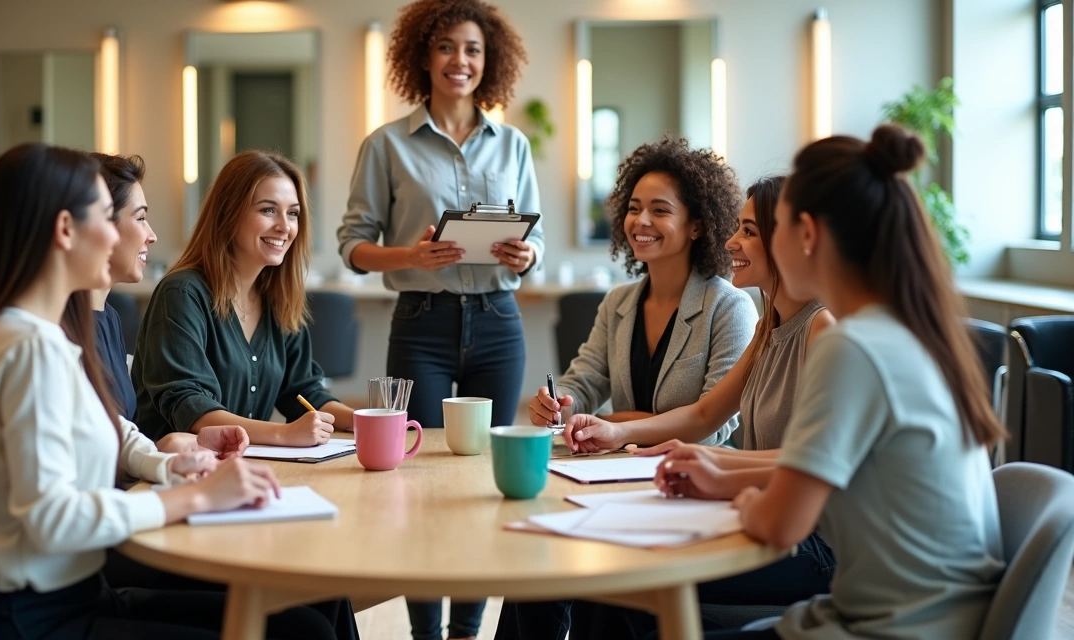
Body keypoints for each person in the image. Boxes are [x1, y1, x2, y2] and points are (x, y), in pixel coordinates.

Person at [0, 142, 352, 639]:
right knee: (304, 631)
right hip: (42, 619)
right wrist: (194, 499)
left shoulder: (33, 337)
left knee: (305, 621)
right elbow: (53, 520)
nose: (135, 234)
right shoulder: (28, 350)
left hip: (74, 595)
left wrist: (169, 464)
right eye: (110, 216)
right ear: (65, 230)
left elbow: (106, 424)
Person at [703, 124, 1007, 639]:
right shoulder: (903, 333)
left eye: (771, 229)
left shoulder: (852, 346)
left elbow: (781, 525)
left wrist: (745, 500)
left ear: (807, 234)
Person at [499, 177, 835, 639]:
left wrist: (709, 460)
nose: (732, 242)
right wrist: (617, 435)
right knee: (575, 556)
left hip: (812, 543)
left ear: (793, 241)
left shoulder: (822, 330)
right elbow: (702, 415)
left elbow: (813, 465)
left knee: (614, 571)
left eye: (750, 232)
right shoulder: (769, 328)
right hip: (761, 509)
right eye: (737, 227)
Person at [335, 1, 541, 637]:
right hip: (420, 322)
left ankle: (466, 630)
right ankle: (424, 631)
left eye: (473, 49)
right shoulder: (386, 144)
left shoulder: (514, 144)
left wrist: (526, 252)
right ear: (423, 56)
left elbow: (537, 245)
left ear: (490, 61)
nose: (461, 60)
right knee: (417, 479)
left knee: (484, 477)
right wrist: (412, 255)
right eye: (447, 47)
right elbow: (352, 245)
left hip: (499, 323)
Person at [528, 135, 757, 446]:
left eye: (660, 211)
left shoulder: (730, 307)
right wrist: (556, 405)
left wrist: (614, 424)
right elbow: (583, 383)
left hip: (690, 474)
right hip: (619, 468)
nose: (641, 221)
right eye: (634, 209)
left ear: (697, 226)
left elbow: (711, 428)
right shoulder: (617, 302)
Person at [132, 150, 357, 446]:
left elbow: (303, 391)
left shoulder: (279, 298)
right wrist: (284, 433)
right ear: (229, 212)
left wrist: (365, 419)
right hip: (174, 471)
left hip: (244, 467)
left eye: (293, 213)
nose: (285, 226)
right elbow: (191, 409)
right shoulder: (182, 294)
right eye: (268, 210)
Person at [88, 152, 248, 460]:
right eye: (140, 218)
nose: (151, 236)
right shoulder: (57, 335)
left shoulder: (109, 318)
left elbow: (114, 442)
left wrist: (163, 449)